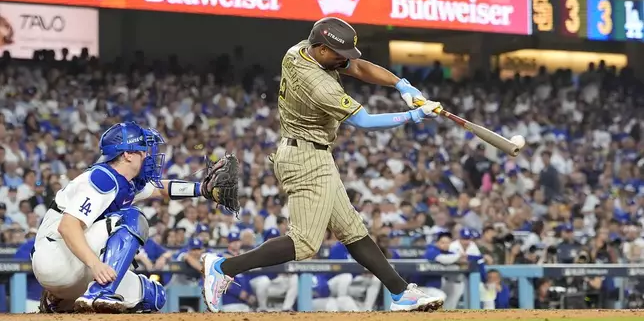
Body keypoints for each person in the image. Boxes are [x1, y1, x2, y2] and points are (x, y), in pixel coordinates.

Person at [202, 17, 444, 312]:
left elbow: (357, 66)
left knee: (352, 229)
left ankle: (400, 293)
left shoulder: (300, 50)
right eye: (339, 54)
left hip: (313, 153)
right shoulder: (317, 84)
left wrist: (402, 85)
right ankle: (223, 267)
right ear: (321, 49)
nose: (345, 60)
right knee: (304, 243)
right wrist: (413, 116)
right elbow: (364, 121)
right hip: (305, 158)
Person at [31, 122, 226, 313]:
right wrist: (96, 264)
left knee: (154, 296)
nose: (147, 155)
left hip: (75, 267)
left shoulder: (125, 182)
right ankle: (101, 292)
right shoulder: (101, 178)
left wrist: (203, 189)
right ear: (127, 154)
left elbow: (161, 189)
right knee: (132, 218)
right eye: (142, 150)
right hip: (56, 255)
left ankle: (59, 301)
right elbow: (68, 227)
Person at [248, 228, 298, 312]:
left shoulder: (284, 253)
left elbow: (290, 268)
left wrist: (286, 273)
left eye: (275, 238)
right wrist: (277, 271)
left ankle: (286, 308)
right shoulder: (257, 251)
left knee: (294, 278)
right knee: (264, 280)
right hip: (260, 284)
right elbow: (254, 272)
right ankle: (262, 309)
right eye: (270, 238)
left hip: (276, 284)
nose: (273, 241)